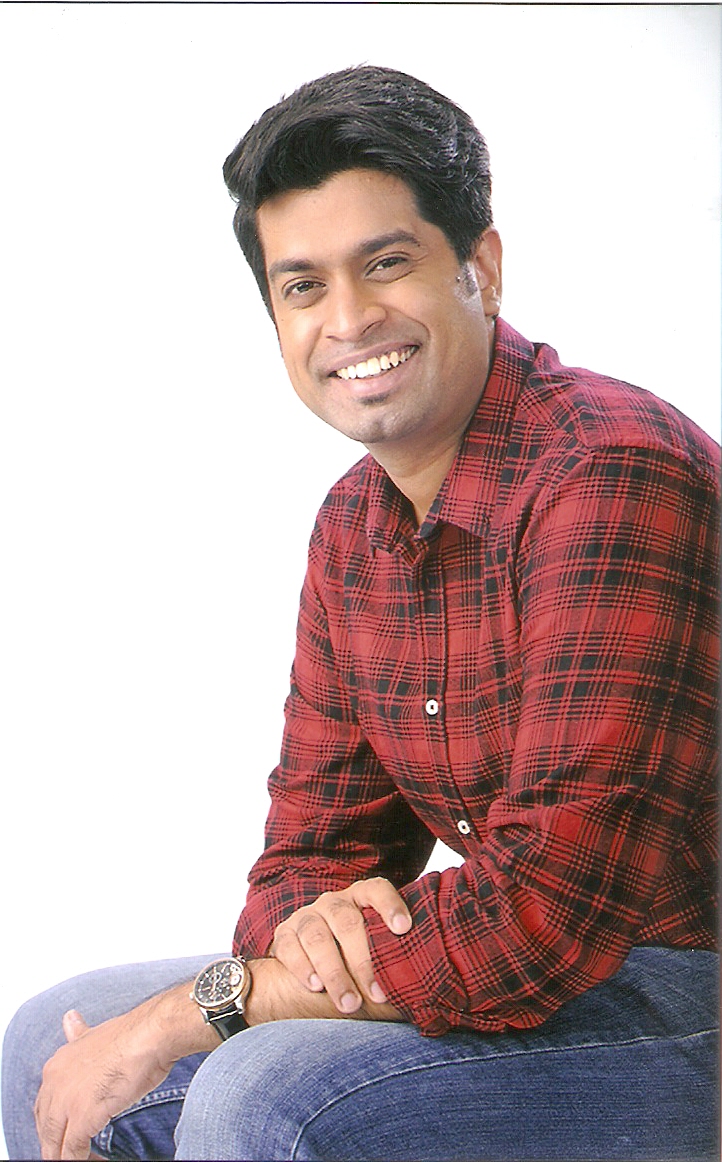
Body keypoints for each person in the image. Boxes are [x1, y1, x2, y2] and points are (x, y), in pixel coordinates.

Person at [3, 65, 718, 1162]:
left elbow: (545, 915)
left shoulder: (609, 474)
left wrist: (206, 1008)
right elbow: (305, 856)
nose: (347, 320)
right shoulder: (355, 526)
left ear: (480, 267)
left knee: (264, 1090)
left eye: (386, 264)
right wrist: (306, 934)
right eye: (302, 285)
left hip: (687, 992)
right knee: (51, 1039)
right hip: (551, 974)